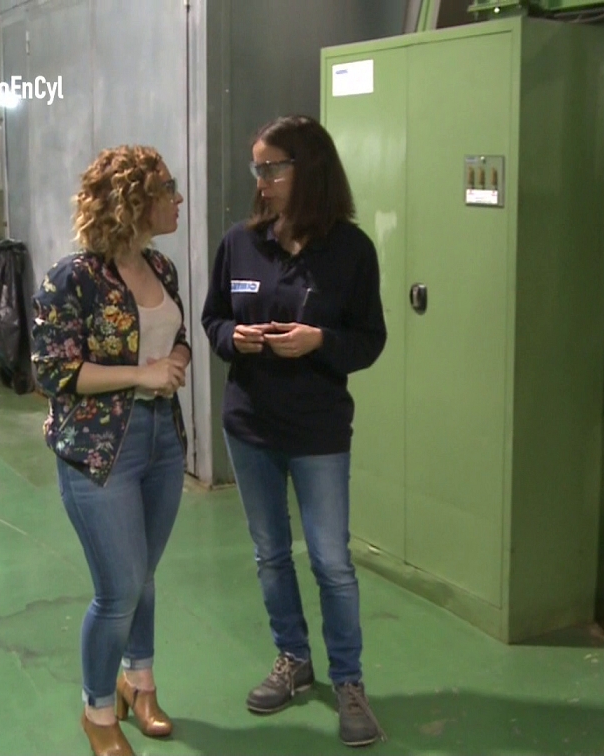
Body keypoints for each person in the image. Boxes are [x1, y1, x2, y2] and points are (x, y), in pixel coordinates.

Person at [201, 115, 388, 747]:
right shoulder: (241, 243)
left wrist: (319, 342)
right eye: (257, 168)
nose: (261, 181)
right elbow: (213, 319)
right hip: (249, 425)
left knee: (332, 562)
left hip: (318, 431)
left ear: (309, 170)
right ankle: (293, 659)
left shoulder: (351, 251)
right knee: (271, 554)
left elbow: (369, 340)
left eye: (272, 168)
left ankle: (349, 682)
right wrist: (236, 337)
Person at [31, 145, 190, 756]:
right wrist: (142, 375)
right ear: (133, 201)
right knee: (119, 588)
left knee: (143, 576)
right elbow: (54, 371)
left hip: (162, 442)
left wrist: (175, 359)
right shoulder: (73, 277)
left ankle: (139, 682)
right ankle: (98, 711)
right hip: (99, 452)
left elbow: (176, 336)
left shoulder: (161, 267)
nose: (177, 199)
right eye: (167, 189)